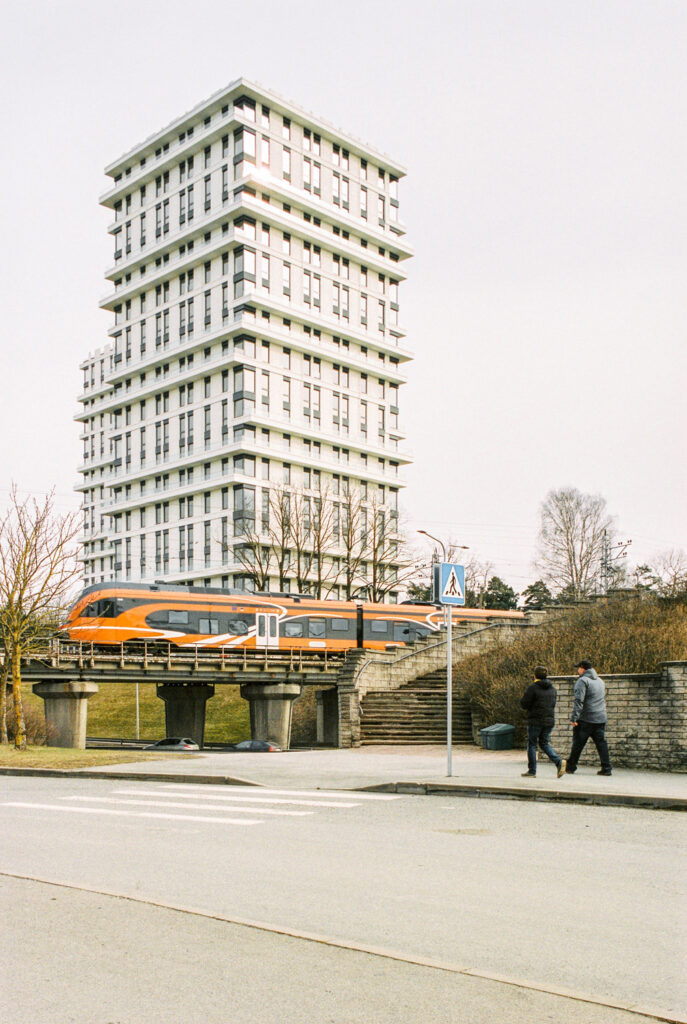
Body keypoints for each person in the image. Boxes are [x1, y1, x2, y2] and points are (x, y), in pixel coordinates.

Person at [566, 659, 613, 776]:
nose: (577, 670)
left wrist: (574, 718)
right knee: (601, 744)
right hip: (600, 718)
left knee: (578, 743)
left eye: (578, 668)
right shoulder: (600, 681)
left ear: (583, 668)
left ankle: (571, 766)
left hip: (586, 719)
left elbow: (579, 701)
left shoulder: (582, 681)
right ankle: (606, 768)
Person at [520, 665, 567, 778]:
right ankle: (558, 762)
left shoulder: (533, 688)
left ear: (535, 675)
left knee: (532, 744)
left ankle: (532, 771)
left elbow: (524, 704)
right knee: (544, 743)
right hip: (549, 720)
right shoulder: (552, 689)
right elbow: (553, 704)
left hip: (535, 720)